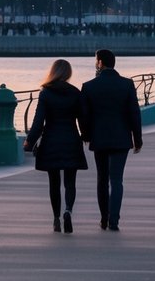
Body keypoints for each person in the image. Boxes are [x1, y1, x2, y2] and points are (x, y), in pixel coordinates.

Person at [79, 48, 143, 231]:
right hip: (121, 138)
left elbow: (83, 116)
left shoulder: (89, 86)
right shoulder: (127, 85)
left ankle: (104, 219)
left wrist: (86, 135)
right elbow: (134, 114)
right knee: (116, 180)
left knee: (102, 179)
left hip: (99, 139)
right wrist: (137, 139)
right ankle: (114, 220)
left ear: (100, 63)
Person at [23, 58, 87, 233]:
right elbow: (82, 119)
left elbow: (38, 122)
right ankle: (68, 211)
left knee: (54, 182)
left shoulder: (46, 93)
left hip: (51, 140)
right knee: (70, 182)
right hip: (71, 140)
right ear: (68, 73)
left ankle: (56, 218)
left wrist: (29, 141)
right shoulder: (75, 93)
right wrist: (86, 136)